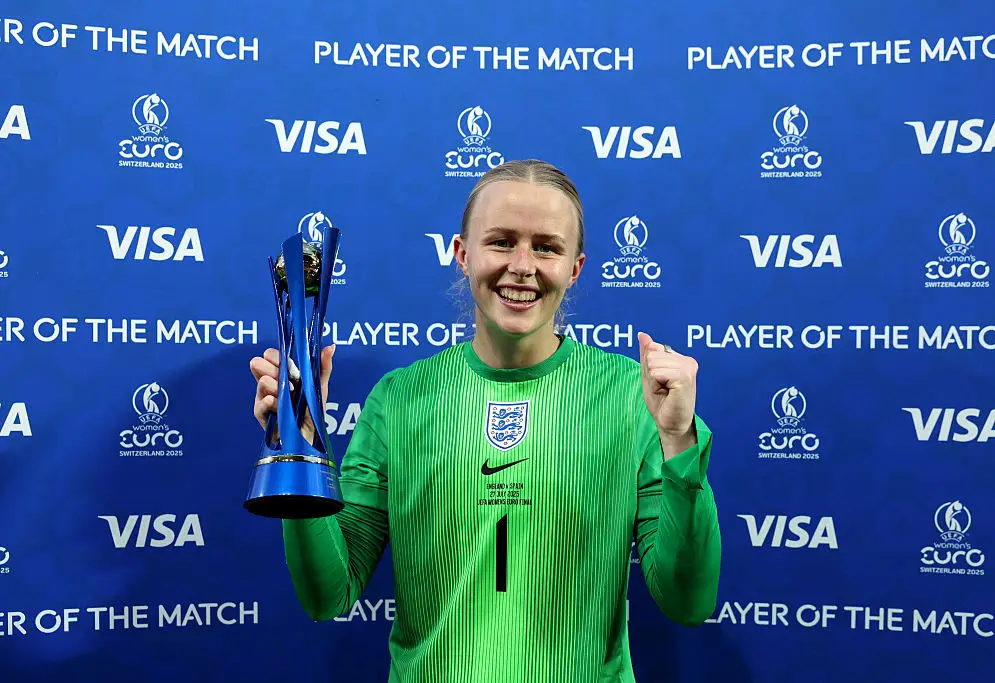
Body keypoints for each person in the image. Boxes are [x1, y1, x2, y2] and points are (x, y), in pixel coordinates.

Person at [249, 159, 722, 682]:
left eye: (547, 247)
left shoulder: (633, 398)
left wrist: (678, 441)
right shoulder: (398, 400)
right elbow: (327, 595)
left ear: (576, 268)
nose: (522, 265)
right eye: (501, 242)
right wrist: (301, 448)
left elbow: (688, 602)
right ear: (462, 254)